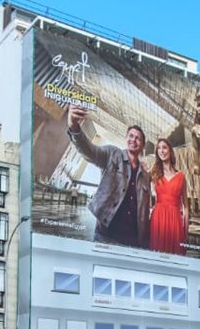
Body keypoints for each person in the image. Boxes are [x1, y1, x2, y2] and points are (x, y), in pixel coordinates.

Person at [65, 106, 151, 248]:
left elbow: (145, 210)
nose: (133, 140)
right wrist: (74, 126)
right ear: (126, 139)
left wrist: (144, 242)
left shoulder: (146, 176)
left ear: (142, 146)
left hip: (133, 241)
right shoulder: (112, 155)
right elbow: (89, 151)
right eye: (131, 136)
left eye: (138, 138)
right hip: (106, 235)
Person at [148, 138, 187, 255]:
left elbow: (186, 206)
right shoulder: (153, 172)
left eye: (164, 147)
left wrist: (186, 230)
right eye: (159, 148)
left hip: (175, 220)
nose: (161, 151)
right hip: (157, 219)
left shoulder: (181, 176)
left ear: (170, 150)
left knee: (176, 255)